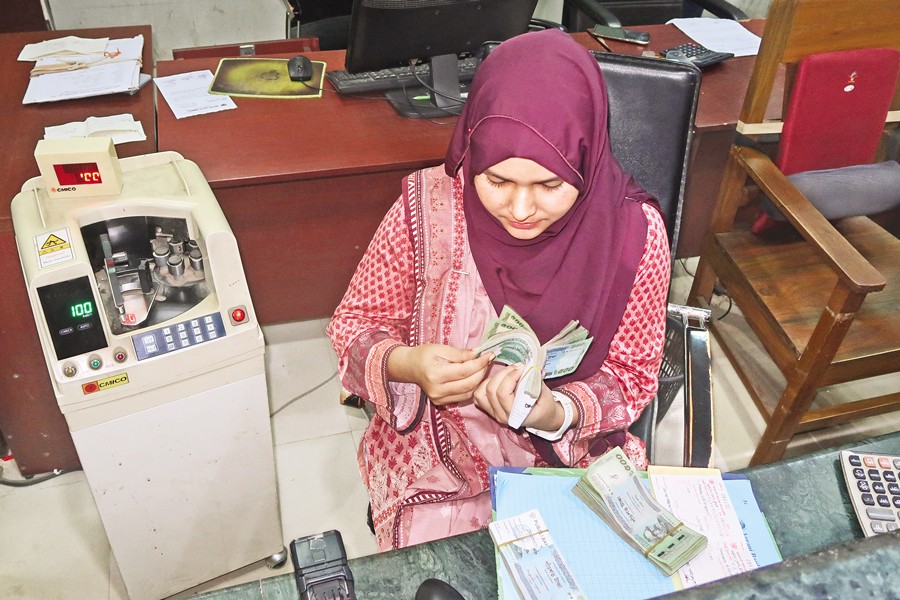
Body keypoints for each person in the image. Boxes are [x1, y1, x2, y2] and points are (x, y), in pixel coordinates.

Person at [327, 28, 670, 552]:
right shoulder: (428, 209)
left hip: (571, 455)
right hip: (439, 456)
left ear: (587, 156)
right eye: (497, 181)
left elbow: (632, 374)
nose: (520, 210)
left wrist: (556, 412)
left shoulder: (633, 236)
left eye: (550, 185)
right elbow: (355, 324)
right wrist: (407, 364)